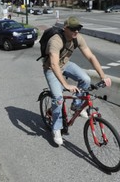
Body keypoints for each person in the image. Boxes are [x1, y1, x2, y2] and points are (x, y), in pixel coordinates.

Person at [42, 16, 111, 146]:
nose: (76, 31)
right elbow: (54, 65)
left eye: (78, 28)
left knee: (85, 79)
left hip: (66, 64)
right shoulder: (55, 41)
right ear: (65, 28)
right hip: (51, 68)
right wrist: (66, 85)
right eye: (73, 29)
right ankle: (56, 128)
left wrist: (103, 76)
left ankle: (76, 105)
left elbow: (91, 56)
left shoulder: (77, 38)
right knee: (58, 98)